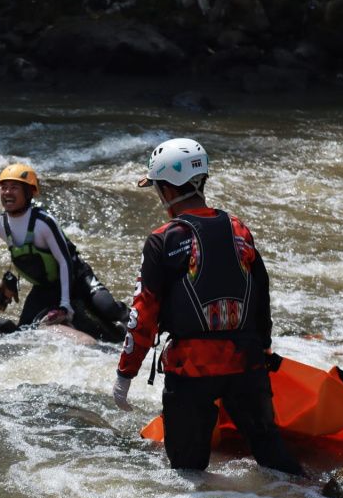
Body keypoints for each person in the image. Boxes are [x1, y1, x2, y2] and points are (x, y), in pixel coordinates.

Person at [111, 138, 302, 475]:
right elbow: (261, 294)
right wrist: (264, 348)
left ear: (168, 190)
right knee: (275, 461)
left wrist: (125, 374)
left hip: (191, 371)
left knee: (188, 475)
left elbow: (144, 313)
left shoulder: (163, 239)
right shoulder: (239, 229)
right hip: (247, 364)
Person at [0, 164, 129, 344]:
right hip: (44, 289)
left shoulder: (43, 222)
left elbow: (65, 262)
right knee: (23, 334)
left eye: (14, 188)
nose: (7, 193)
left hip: (78, 277)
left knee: (108, 308)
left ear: (29, 192)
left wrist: (65, 304)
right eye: (4, 188)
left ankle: (138, 325)